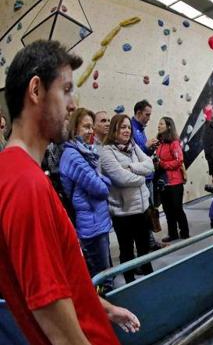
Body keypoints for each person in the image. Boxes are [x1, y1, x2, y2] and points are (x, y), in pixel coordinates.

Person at [0, 40, 139, 345]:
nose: (74, 104)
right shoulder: (26, 185)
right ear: (36, 91)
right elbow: (55, 322)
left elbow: (57, 284)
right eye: (65, 90)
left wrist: (102, 308)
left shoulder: (14, 173)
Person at [60, 108, 114, 292]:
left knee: (106, 271)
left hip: (97, 219)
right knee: (102, 278)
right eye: (86, 126)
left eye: (92, 127)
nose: (91, 131)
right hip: (91, 225)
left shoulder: (85, 151)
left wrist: (100, 180)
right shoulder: (73, 155)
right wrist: (106, 181)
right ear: (74, 128)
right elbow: (100, 188)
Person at [100, 114, 155, 283]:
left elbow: (150, 165)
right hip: (123, 213)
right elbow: (121, 179)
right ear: (114, 129)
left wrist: (131, 167)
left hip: (142, 208)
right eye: (122, 127)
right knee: (127, 252)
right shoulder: (106, 151)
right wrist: (142, 177)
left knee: (145, 249)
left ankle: (151, 280)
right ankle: (130, 284)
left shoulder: (133, 146)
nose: (126, 130)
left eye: (129, 127)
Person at [131, 99, 162, 251]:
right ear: (138, 113)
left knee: (149, 211)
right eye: (147, 115)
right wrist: (145, 147)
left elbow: (143, 154)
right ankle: (147, 243)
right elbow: (134, 155)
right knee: (144, 212)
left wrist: (150, 149)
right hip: (141, 177)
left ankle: (150, 241)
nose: (149, 118)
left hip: (148, 176)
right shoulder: (132, 129)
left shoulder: (140, 129)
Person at [155, 116, 189, 242]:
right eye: (159, 124)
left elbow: (179, 161)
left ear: (169, 126)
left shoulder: (174, 143)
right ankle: (173, 233)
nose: (159, 126)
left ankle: (184, 232)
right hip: (164, 183)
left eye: (161, 124)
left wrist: (163, 164)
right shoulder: (161, 144)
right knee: (167, 210)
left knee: (177, 208)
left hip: (175, 182)